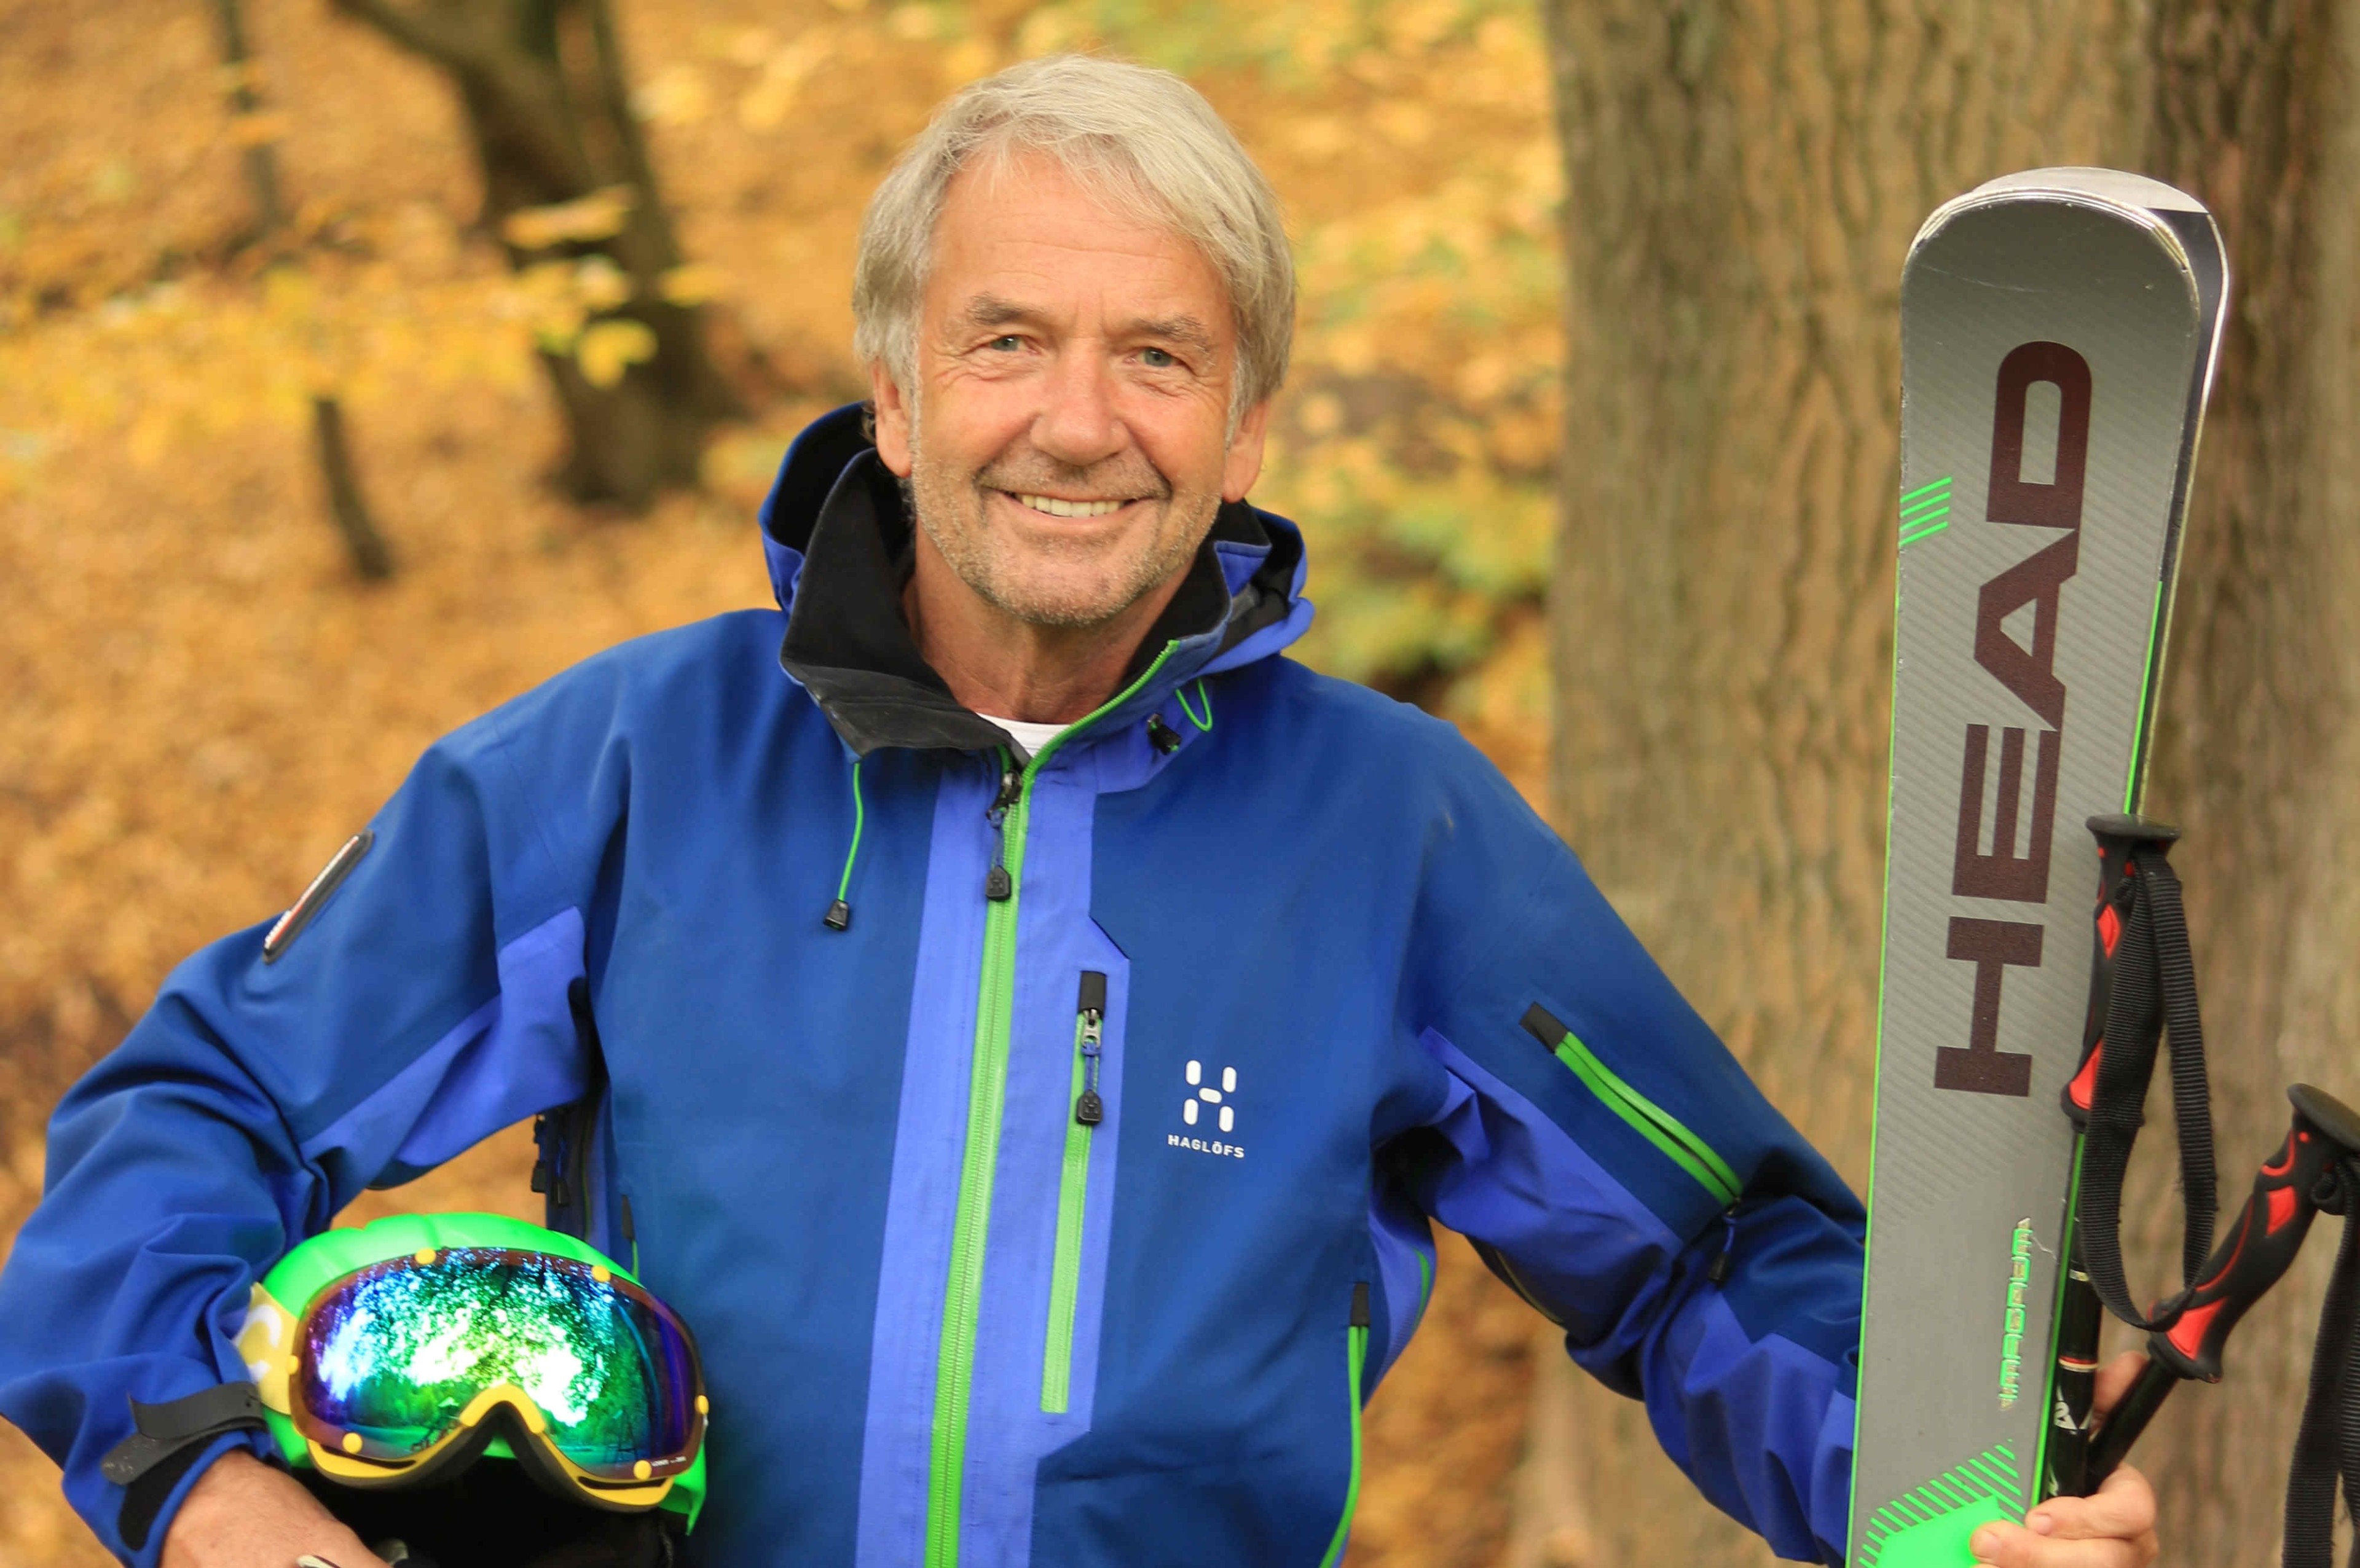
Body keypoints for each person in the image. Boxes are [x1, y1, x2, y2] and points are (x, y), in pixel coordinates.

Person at [0, 53, 2159, 1568]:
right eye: (1010, 338)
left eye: (1160, 355)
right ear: (899, 391)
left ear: (1239, 431)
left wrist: (1942, 1492)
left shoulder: (1392, 833)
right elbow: (173, 1121)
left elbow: (1705, 1254)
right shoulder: (632, 769)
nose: (1078, 420)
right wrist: (218, 1493)